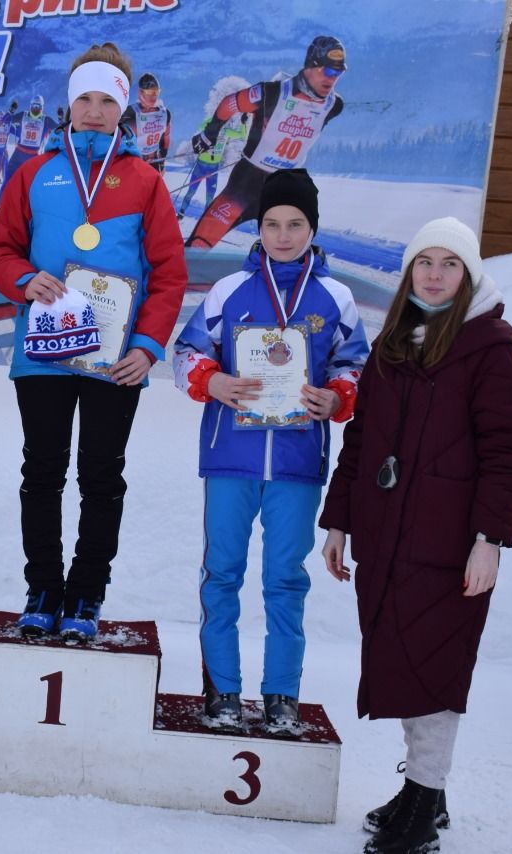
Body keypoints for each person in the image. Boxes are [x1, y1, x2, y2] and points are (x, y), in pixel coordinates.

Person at [318, 217, 512, 853]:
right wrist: (339, 521)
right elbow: (361, 440)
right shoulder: (395, 343)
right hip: (388, 536)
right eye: (424, 263)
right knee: (402, 658)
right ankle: (424, 794)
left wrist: (489, 539)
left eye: (449, 264)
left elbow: (511, 451)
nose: (435, 275)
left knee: (434, 664)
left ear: (468, 275)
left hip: (449, 542)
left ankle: (424, 797)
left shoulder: (490, 345)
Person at [0, 42, 187, 642]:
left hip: (115, 361)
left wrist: (147, 348)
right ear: (69, 104)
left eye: (106, 100)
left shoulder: (146, 181)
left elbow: (169, 274)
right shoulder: (33, 172)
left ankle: (86, 595)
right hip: (43, 352)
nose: (94, 110)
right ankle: (43, 587)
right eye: (84, 99)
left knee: (102, 476)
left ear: (123, 108)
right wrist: (23, 280)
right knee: (41, 472)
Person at [172, 168, 368, 731]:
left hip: (297, 463)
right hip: (230, 456)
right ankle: (223, 691)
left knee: (285, 578)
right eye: (273, 224)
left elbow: (355, 365)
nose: (283, 235)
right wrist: (212, 382)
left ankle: (282, 693)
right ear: (258, 228)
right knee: (222, 573)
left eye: (296, 224)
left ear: (312, 228)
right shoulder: (230, 290)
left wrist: (338, 397)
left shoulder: (336, 297)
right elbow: (186, 353)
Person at [186, 35, 347, 250]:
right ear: (310, 66)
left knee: (288, 254)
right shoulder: (272, 92)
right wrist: (210, 133)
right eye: (328, 71)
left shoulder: (334, 105)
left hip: (284, 186)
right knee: (199, 244)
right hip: (246, 182)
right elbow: (229, 103)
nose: (332, 78)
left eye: (338, 72)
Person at [175, 112, 248, 219]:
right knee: (191, 191)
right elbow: (200, 126)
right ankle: (181, 213)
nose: (225, 121)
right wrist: (212, 120)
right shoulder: (209, 128)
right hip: (201, 165)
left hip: (213, 168)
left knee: (210, 196)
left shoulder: (226, 131)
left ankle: (205, 219)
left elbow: (242, 135)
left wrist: (243, 123)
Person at [2, 94, 58, 189]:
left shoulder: (46, 120)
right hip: (18, 154)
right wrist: (11, 110)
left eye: (38, 106)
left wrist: (61, 118)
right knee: (8, 181)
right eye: (34, 106)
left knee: (31, 186)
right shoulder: (23, 115)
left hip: (33, 156)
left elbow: (61, 129)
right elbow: (5, 120)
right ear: (30, 106)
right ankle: (2, 203)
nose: (35, 109)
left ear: (42, 108)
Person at [122, 72, 173, 175]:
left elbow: (165, 139)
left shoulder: (165, 113)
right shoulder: (130, 113)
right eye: (149, 92)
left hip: (154, 162)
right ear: (141, 92)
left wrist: (162, 163)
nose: (153, 96)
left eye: (156, 92)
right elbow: (118, 141)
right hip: (134, 163)